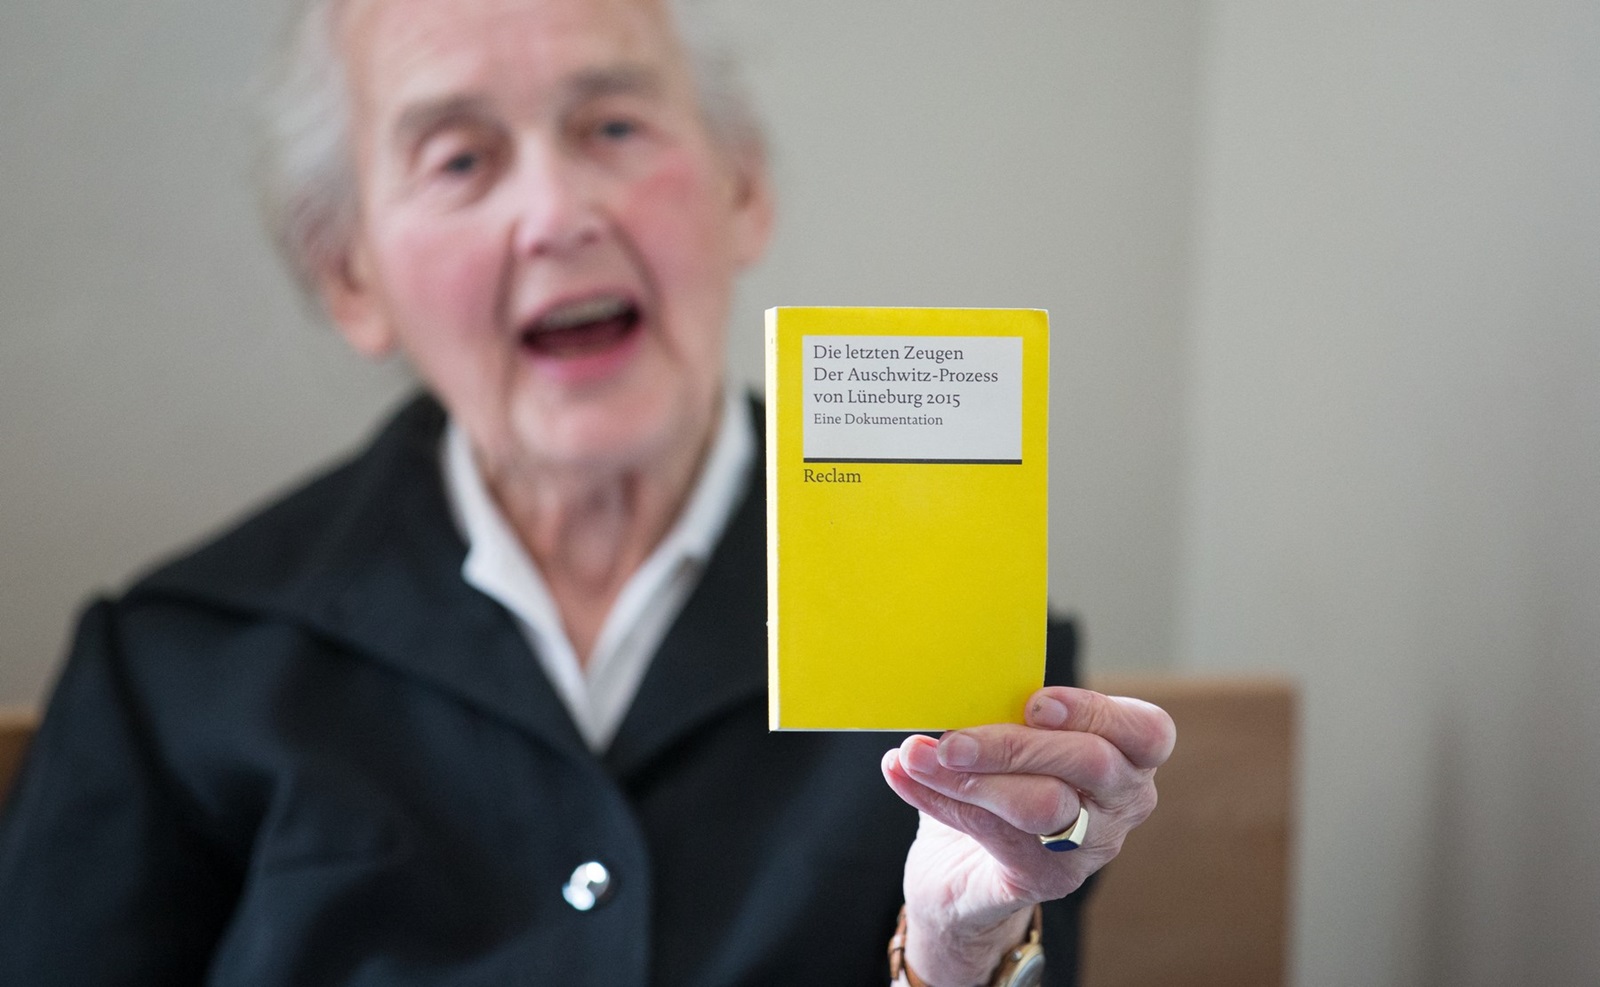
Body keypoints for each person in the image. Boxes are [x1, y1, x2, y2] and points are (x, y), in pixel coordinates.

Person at [0, 0, 1175, 983]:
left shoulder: (968, 649)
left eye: (614, 125)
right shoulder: (169, 669)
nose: (558, 215)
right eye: (459, 158)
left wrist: (954, 952)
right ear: (349, 273)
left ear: (743, 189)